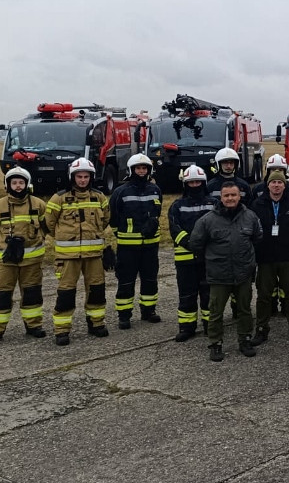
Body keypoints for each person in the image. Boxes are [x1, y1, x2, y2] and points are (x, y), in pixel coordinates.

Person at [189, 181, 263, 361]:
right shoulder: (207, 220)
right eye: (226, 195)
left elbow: (257, 238)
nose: (230, 198)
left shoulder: (250, 217)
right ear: (220, 198)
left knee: (244, 309)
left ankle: (245, 340)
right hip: (219, 275)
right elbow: (196, 244)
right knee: (216, 312)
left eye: (233, 195)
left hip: (243, 274)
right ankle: (215, 343)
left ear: (239, 196)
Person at [44, 157, 115, 346]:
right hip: (68, 258)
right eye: (79, 176)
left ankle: (96, 323)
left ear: (91, 177)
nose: (82, 180)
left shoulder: (99, 197)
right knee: (66, 293)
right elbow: (49, 224)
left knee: (97, 291)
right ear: (72, 177)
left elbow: (105, 219)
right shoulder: (59, 198)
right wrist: (65, 238)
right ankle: (62, 330)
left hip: (94, 256)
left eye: (86, 177)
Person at [0, 166, 48, 345]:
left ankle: (34, 326)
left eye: (21, 182)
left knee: (32, 294)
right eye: (14, 183)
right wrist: (1, 245)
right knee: (1, 295)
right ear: (7, 185)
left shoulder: (39, 205)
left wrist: (38, 240)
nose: (18, 186)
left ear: (27, 184)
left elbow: (46, 226)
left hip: (31, 262)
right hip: (5, 262)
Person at [249, 170, 289, 346]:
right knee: (263, 296)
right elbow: (251, 231)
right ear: (268, 185)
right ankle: (261, 329)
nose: (276, 185)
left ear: (285, 185)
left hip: (288, 257)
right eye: (273, 182)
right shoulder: (257, 204)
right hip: (265, 258)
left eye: (280, 182)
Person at [110, 153, 163, 328]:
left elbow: (157, 213)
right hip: (127, 247)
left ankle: (149, 311)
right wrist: (123, 234)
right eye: (138, 168)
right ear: (131, 170)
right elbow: (113, 218)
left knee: (150, 280)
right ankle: (124, 315)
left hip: (150, 245)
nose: (141, 171)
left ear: (149, 170)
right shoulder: (120, 192)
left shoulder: (155, 190)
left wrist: (153, 224)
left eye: (144, 168)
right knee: (126, 281)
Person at [167, 165, 215, 342]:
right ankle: (187, 327)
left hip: (208, 258)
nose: (194, 185)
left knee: (208, 294)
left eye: (197, 182)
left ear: (203, 183)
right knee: (187, 294)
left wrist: (204, 243)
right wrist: (189, 242)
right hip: (185, 259)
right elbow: (174, 228)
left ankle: (211, 325)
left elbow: (218, 225)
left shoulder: (214, 204)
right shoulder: (177, 206)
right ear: (185, 184)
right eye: (191, 182)